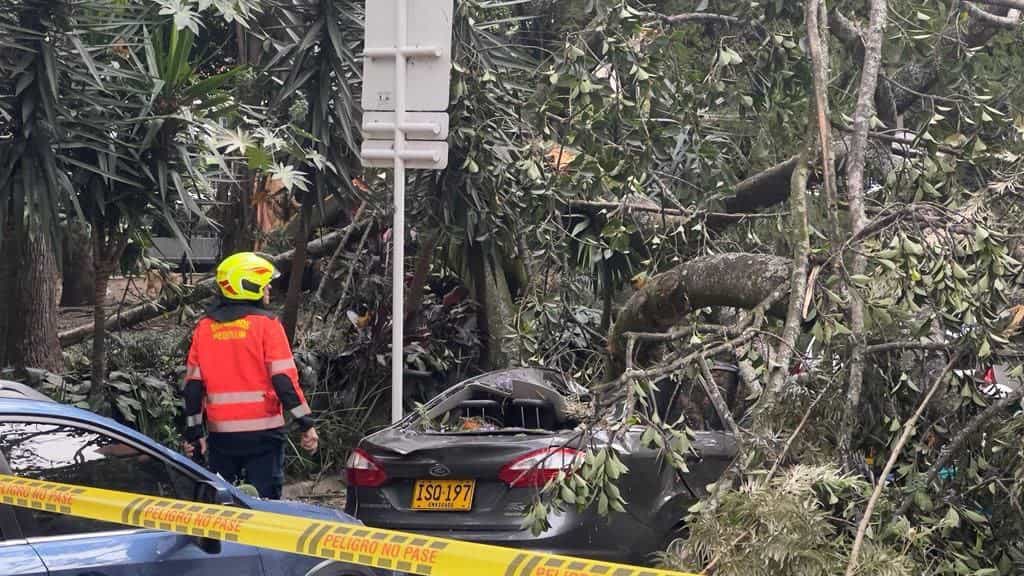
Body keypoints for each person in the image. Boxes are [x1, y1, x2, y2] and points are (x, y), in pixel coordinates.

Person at [182, 252, 319, 499]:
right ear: (247, 285)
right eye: (264, 282)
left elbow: (193, 388)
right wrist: (305, 424)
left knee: (223, 505)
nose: (268, 288)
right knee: (266, 507)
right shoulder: (267, 326)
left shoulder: (204, 328)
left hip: (221, 437)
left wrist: (194, 435)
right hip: (264, 436)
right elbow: (284, 381)